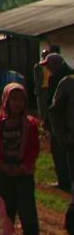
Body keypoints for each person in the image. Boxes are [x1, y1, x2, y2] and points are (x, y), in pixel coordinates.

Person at [0, 83, 40, 235]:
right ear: (6, 100)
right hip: (3, 173)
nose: (17, 103)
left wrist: (24, 166)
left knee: (27, 210)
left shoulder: (31, 124)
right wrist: (0, 164)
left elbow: (34, 148)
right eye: (14, 99)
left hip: (24, 173)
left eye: (21, 100)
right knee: (6, 210)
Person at [42, 53, 74, 191]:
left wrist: (58, 130)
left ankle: (65, 183)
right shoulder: (63, 78)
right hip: (66, 128)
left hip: (66, 129)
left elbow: (54, 108)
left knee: (62, 155)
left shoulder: (65, 80)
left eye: (49, 65)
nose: (48, 68)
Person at [34, 49, 51, 122]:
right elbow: (36, 79)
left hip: (49, 89)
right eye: (44, 55)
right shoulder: (38, 66)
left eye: (47, 55)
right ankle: (43, 121)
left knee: (49, 106)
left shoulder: (51, 66)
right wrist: (37, 89)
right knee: (42, 107)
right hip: (42, 89)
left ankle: (48, 122)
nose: (45, 56)